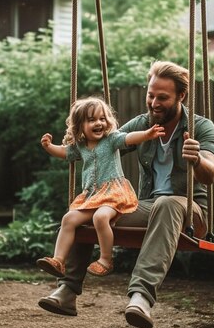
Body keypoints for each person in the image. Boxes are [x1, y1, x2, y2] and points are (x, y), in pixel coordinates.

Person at [37, 61, 214, 328]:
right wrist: (81, 135)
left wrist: (197, 161)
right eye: (151, 95)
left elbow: (211, 173)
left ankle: (141, 297)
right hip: (146, 207)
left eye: (162, 97)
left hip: (188, 211)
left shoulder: (201, 127)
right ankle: (66, 292)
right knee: (90, 207)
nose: (154, 103)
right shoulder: (144, 124)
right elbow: (104, 146)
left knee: (167, 202)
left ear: (181, 96)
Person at [36, 97, 165, 278]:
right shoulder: (80, 147)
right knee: (68, 219)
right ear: (80, 125)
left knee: (100, 217)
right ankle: (58, 260)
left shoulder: (111, 139)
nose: (99, 123)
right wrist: (49, 147)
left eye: (102, 119)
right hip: (92, 196)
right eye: (92, 120)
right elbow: (65, 152)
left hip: (114, 194)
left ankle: (105, 259)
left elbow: (128, 138)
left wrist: (146, 135)